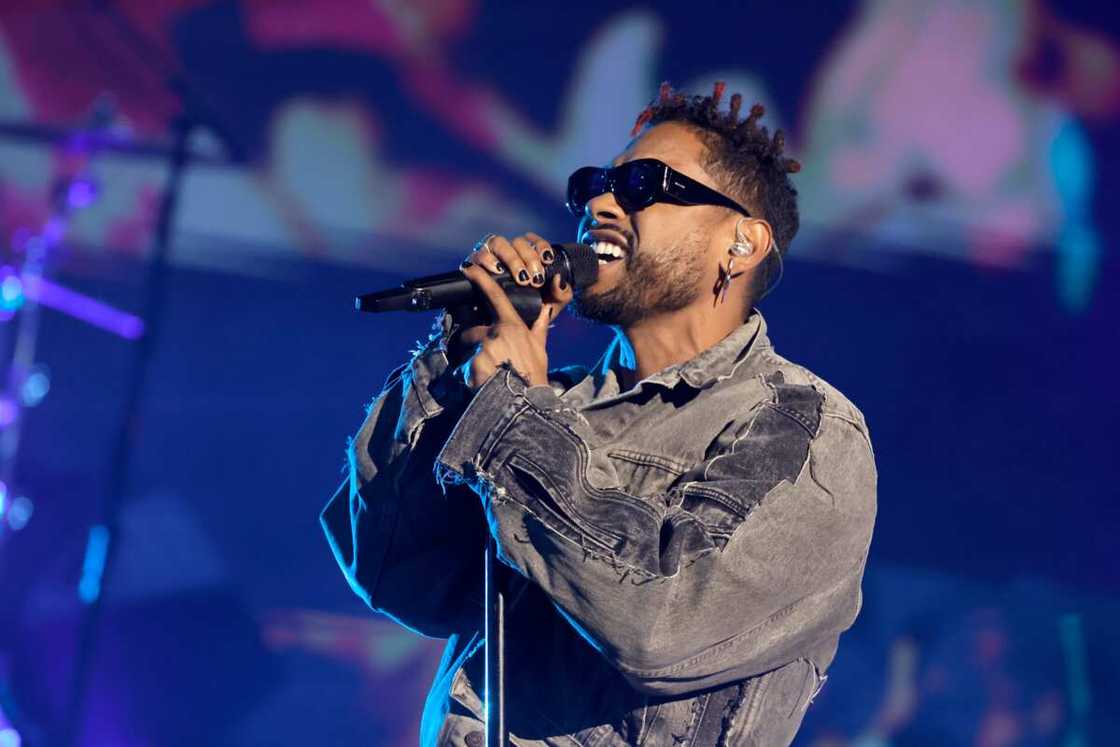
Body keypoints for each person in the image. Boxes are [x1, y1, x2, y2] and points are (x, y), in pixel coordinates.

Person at [321, 81, 878, 746]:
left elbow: (664, 620)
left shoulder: (802, 429)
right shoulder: (540, 401)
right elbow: (395, 570)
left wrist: (513, 421)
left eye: (643, 183)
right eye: (595, 182)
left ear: (742, 243)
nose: (600, 202)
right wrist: (455, 360)